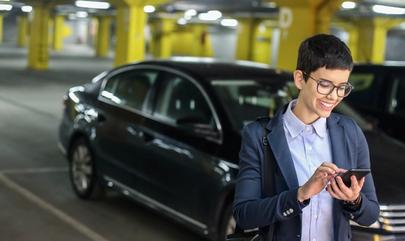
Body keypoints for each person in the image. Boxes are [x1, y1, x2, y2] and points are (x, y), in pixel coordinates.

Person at [233, 34, 379, 241]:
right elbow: (244, 214)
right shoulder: (259, 135)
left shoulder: (350, 132)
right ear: (300, 79)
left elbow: (371, 214)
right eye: (325, 85)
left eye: (342, 87)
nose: (333, 96)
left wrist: (355, 200)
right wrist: (300, 194)